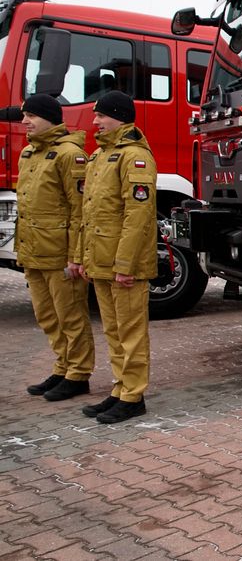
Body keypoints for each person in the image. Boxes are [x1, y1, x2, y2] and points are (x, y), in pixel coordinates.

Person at [76, 90, 157, 424]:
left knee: (130, 333)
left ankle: (133, 396)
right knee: (113, 331)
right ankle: (120, 388)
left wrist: (125, 265)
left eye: (101, 115)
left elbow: (137, 216)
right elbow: (88, 214)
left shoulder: (135, 156)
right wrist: (84, 258)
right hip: (101, 261)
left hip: (124, 266)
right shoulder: (99, 156)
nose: (95, 121)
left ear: (119, 117)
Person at [17, 94, 96, 401]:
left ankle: (78, 374)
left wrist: (76, 256)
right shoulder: (28, 153)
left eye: (31, 116)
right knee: (47, 317)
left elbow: (80, 210)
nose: (25, 121)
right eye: (24, 115)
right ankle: (63, 367)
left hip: (60, 255)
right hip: (34, 252)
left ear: (49, 118)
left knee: (70, 317)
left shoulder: (70, 155)